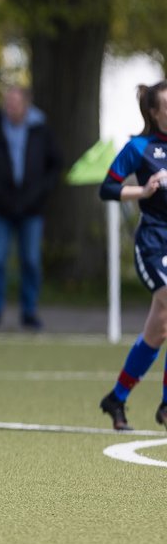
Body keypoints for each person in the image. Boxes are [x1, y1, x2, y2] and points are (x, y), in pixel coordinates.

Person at [98, 82, 167, 432]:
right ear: (154, 113)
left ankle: (117, 397)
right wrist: (144, 189)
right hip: (154, 243)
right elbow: (107, 187)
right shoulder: (139, 148)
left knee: (158, 330)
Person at [0, 84, 62, 330]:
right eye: (7, 103)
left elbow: (55, 165)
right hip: (0, 207)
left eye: (15, 103)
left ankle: (29, 311)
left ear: (26, 104)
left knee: (30, 260)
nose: (10, 108)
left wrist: (40, 192)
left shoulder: (41, 129)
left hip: (32, 208)